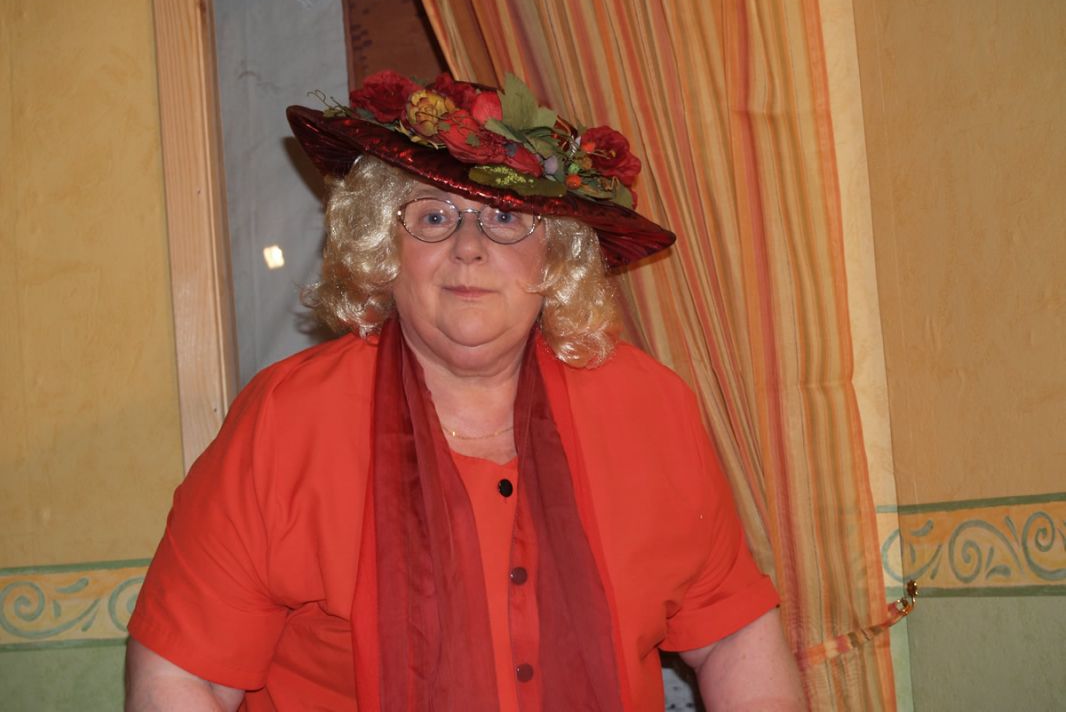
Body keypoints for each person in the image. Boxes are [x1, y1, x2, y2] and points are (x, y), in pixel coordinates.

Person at [125, 71, 804, 711]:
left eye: (506, 217)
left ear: (556, 253)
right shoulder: (284, 421)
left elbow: (734, 636)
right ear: (384, 246)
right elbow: (182, 677)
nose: (469, 247)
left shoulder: (651, 409)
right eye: (433, 217)